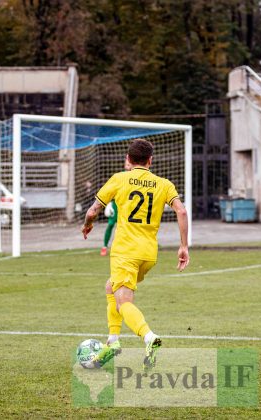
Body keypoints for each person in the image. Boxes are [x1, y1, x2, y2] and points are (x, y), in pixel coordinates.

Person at [81, 138, 190, 371]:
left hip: (125, 252)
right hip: (149, 254)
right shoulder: (163, 184)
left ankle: (149, 337)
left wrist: (88, 224)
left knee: (123, 302)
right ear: (150, 161)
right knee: (111, 287)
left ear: (128, 160)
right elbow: (181, 210)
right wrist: (184, 246)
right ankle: (112, 340)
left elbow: (93, 210)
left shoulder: (119, 178)